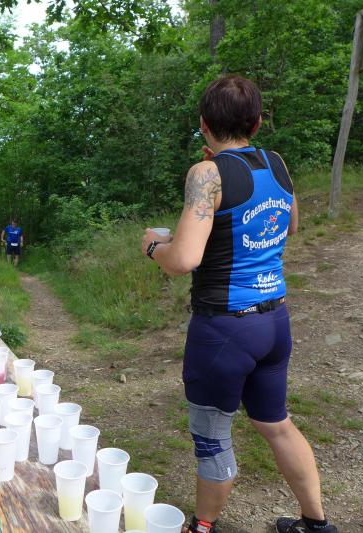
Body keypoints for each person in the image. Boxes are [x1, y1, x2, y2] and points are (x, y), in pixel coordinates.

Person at [141, 75, 337, 533]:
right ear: (256, 123)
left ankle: (202, 526)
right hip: (274, 322)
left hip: (224, 330)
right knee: (276, 424)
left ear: (204, 124)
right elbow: (288, 226)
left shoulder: (206, 174)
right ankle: (316, 523)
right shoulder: (276, 163)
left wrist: (152, 246)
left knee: (212, 438)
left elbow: (183, 259)